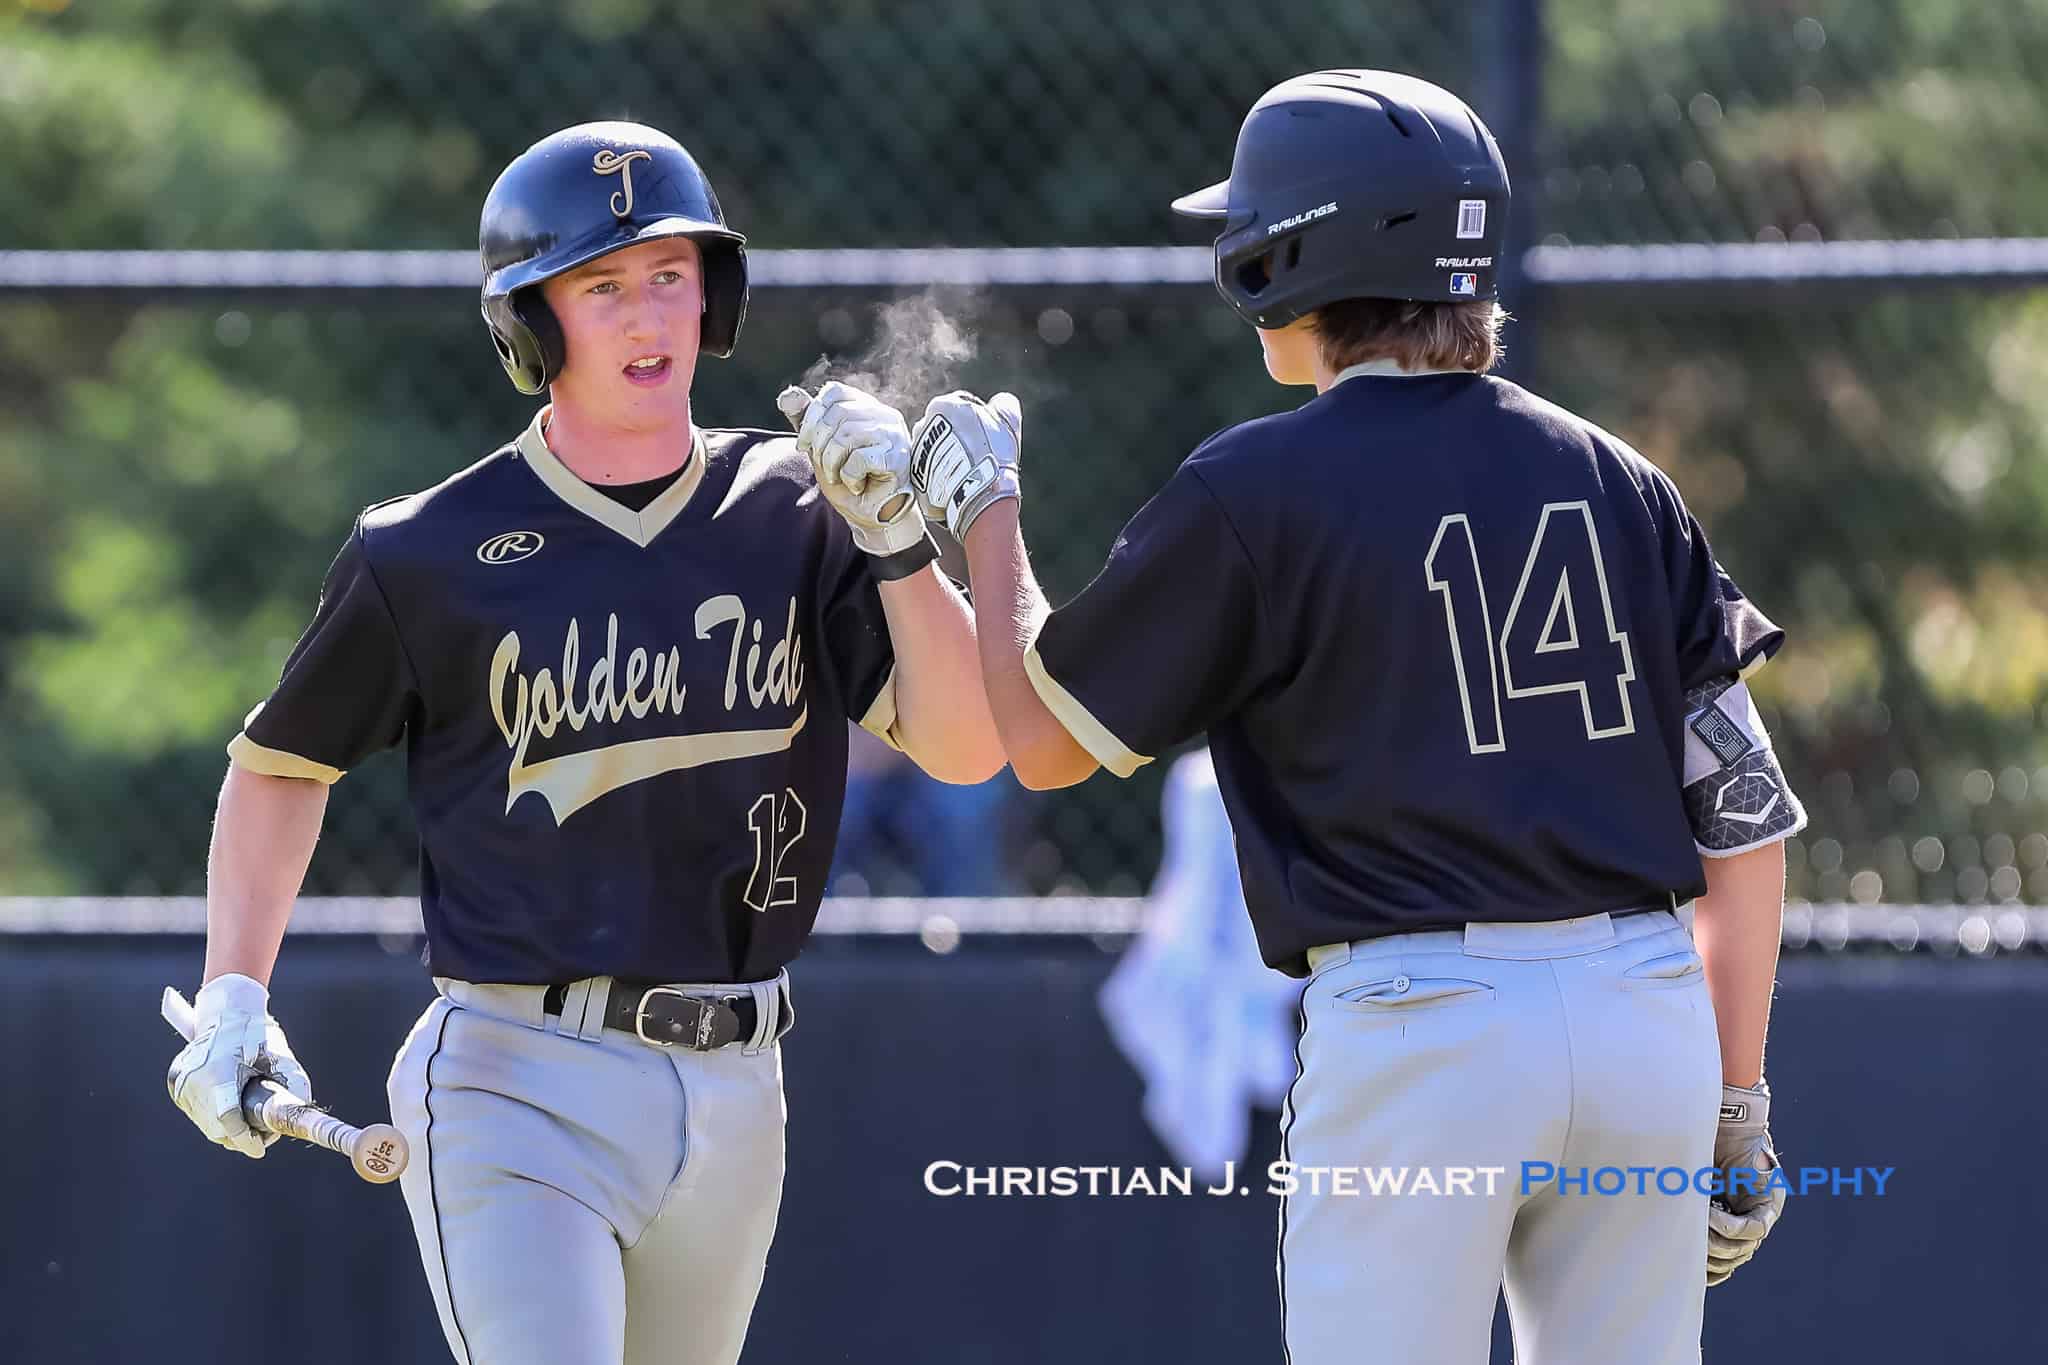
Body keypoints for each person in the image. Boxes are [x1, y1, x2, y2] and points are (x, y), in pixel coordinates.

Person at [904, 71, 1804, 1364]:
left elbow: (1041, 743)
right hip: (1640, 1015)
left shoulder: (1255, 487)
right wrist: (1736, 1097)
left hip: (1421, 1028)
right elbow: (1745, 820)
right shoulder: (1620, 476)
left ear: (1296, 255)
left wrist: (985, 515)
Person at [165, 120, 1002, 1365]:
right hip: (516, 1076)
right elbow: (281, 765)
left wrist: (896, 547)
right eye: (600, 285)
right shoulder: (429, 548)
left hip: (740, 1081)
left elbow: (967, 747)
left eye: (670, 274)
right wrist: (236, 991)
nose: (646, 313)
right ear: (531, 323)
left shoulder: (797, 511)